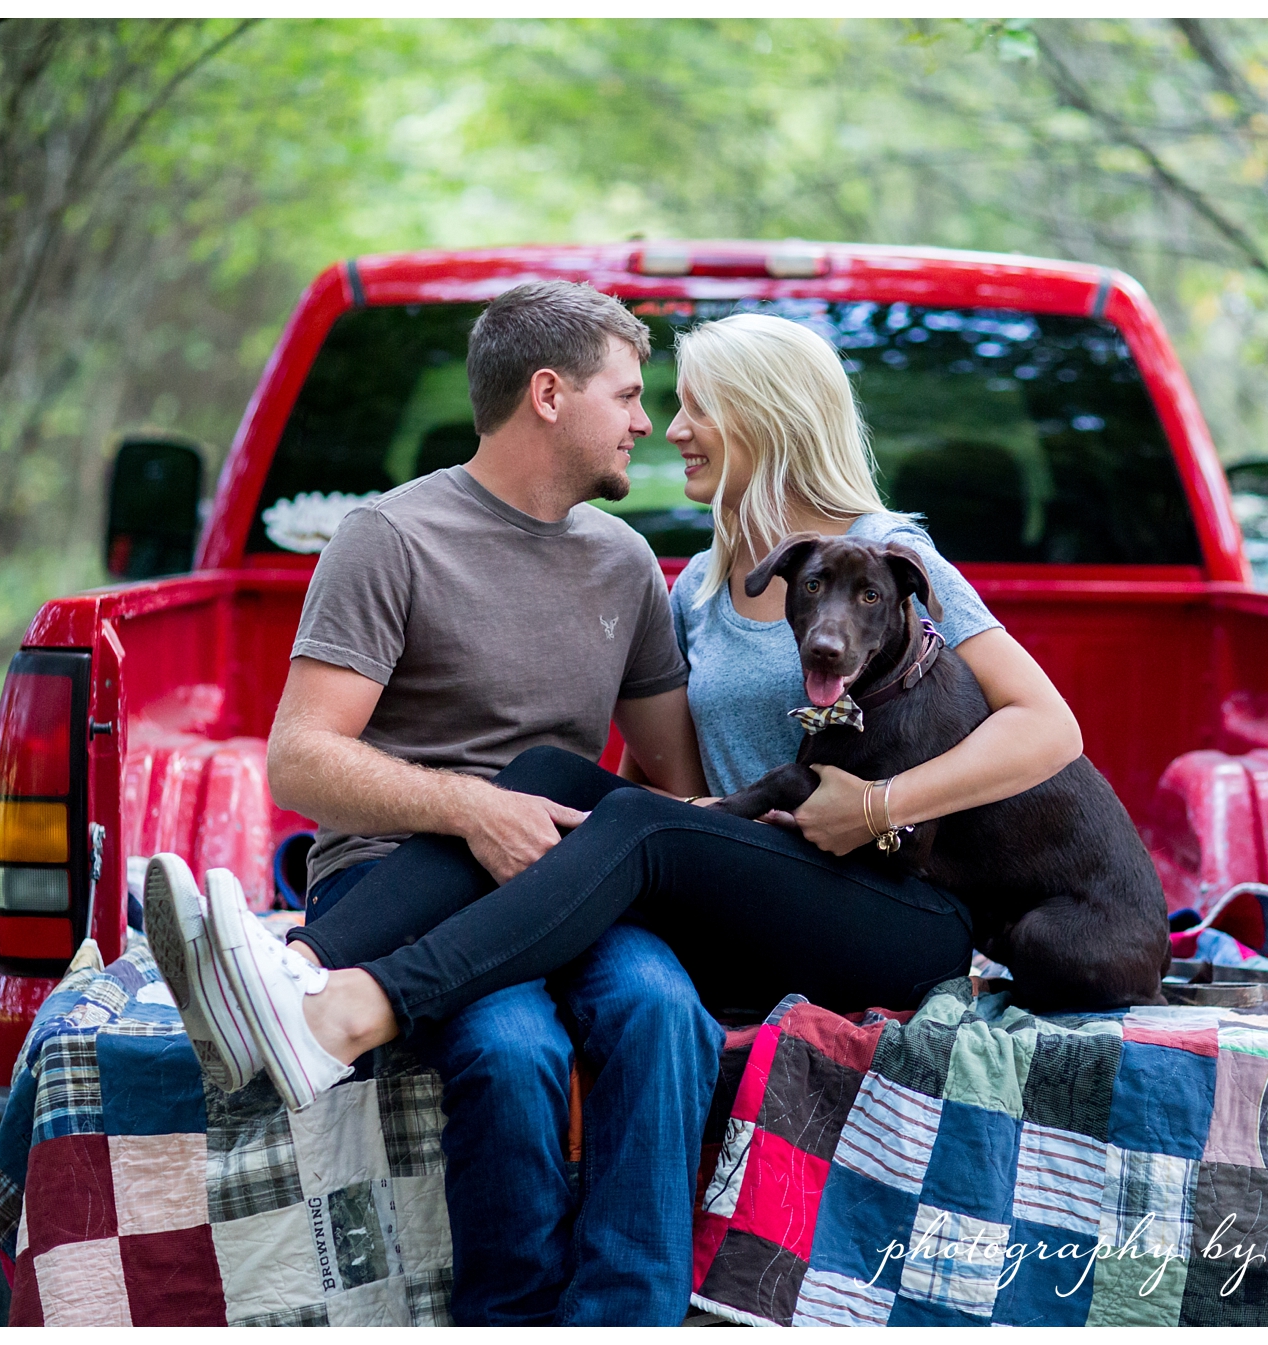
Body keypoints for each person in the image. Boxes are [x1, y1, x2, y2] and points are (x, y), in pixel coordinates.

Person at [194, 309, 1083, 1192]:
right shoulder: (700, 578)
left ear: (766, 418)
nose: (669, 428)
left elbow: (1049, 727)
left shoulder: (891, 560)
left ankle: (361, 1008)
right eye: (653, 400)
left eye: (696, 407)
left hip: (892, 896)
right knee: (542, 778)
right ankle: (301, 968)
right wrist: (592, 839)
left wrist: (884, 804)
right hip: (749, 877)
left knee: (639, 829)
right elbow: (663, 775)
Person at [147, 279, 721, 1327]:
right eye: (630, 394)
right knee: (513, 1051)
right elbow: (301, 760)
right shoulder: (392, 538)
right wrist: (468, 809)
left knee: (659, 1006)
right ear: (548, 393)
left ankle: (630, 1316)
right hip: (399, 877)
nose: (647, 421)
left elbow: (669, 781)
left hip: (560, 877)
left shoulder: (625, 561)